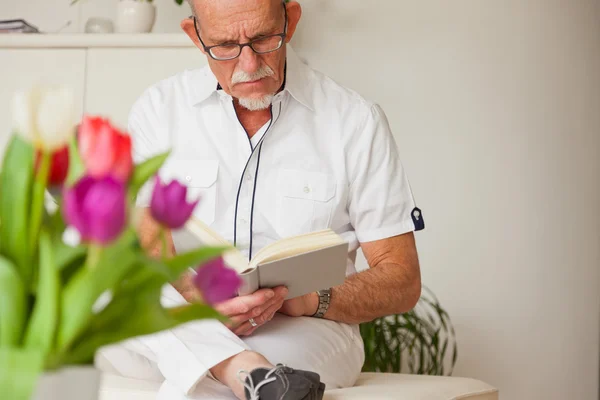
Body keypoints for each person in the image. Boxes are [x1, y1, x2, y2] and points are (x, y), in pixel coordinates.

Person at [95, 0, 424, 399]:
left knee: (187, 369)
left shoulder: (355, 121)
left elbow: (402, 279)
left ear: (292, 19)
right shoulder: (159, 109)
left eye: (264, 38)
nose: (249, 65)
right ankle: (246, 372)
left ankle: (239, 369)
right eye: (225, 46)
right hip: (184, 312)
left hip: (306, 330)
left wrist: (308, 300)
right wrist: (197, 299)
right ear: (193, 36)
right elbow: (148, 243)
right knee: (101, 288)